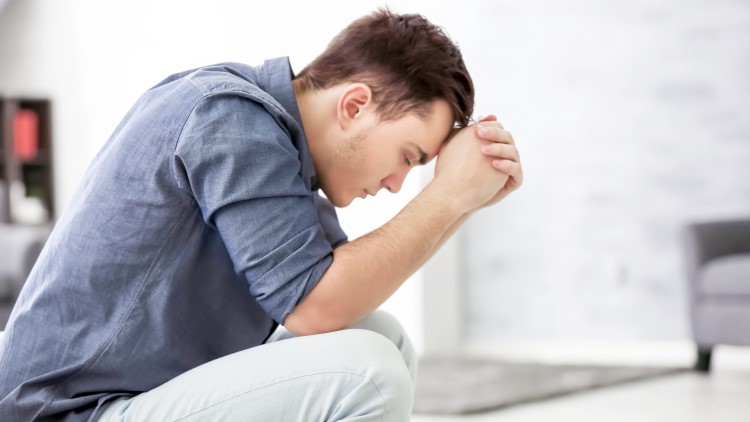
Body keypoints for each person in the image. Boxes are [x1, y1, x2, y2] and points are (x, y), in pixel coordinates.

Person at [0, 8, 522, 422]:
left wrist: (464, 199)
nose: (396, 183)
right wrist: (449, 196)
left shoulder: (284, 161)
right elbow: (315, 307)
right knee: (368, 374)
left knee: (379, 336)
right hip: (69, 412)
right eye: (407, 156)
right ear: (355, 105)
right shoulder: (227, 118)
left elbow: (341, 304)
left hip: (128, 399)